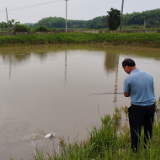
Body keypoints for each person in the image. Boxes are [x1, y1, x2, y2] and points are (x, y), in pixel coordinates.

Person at [122, 58, 155, 151]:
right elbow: (152, 89)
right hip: (151, 106)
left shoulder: (128, 78)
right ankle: (146, 146)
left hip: (137, 108)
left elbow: (126, 94)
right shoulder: (148, 75)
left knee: (135, 129)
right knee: (148, 127)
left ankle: (134, 150)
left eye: (124, 68)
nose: (125, 71)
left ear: (127, 67)